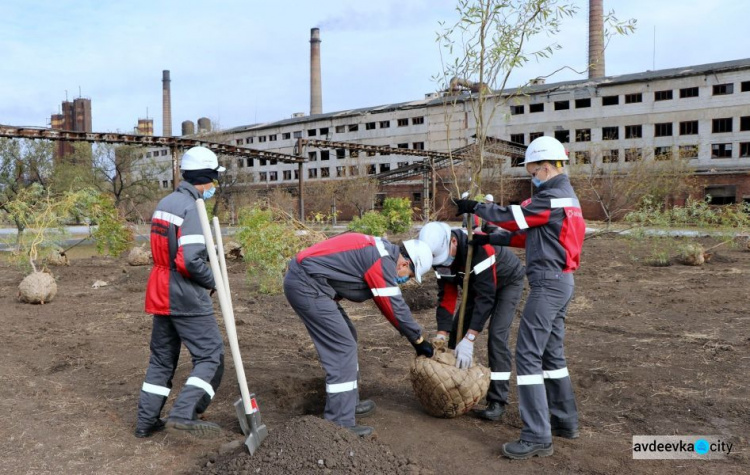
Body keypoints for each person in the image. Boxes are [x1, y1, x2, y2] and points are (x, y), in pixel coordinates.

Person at [455, 136, 585, 459]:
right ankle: (564, 421)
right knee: (552, 355)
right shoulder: (564, 198)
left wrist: (476, 207)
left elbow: (514, 217)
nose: (532, 178)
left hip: (548, 284)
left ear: (545, 167)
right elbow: (529, 236)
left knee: (527, 354)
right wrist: (490, 236)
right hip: (561, 282)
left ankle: (537, 435)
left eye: (533, 172)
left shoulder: (553, 197)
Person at [283, 234, 435, 437]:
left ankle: (348, 404)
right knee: (342, 348)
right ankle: (339, 422)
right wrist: (418, 339)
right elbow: (393, 307)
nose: (405, 280)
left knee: (348, 337)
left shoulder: (382, 251)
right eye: (409, 275)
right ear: (405, 263)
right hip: (307, 285)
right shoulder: (381, 260)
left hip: (313, 283)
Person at [135, 146, 226, 439]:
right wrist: (214, 282)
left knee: (162, 359)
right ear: (206, 177)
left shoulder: (166, 202)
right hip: (184, 294)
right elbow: (188, 260)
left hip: (160, 289)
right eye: (214, 179)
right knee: (211, 355)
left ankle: (146, 421)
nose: (214, 185)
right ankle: (184, 413)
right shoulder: (193, 208)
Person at [418, 222, 525, 421]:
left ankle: (497, 399)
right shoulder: (438, 256)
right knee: (454, 337)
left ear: (453, 241)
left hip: (506, 282)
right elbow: (447, 294)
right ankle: (453, 388)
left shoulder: (479, 248)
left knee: (497, 336)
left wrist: (470, 338)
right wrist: (443, 331)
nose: (444, 263)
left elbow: (486, 299)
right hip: (475, 286)